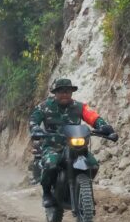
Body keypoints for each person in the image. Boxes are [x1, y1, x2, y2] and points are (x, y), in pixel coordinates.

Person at [29, 78, 115, 207]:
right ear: (55, 93)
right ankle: (47, 193)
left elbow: (92, 116)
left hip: (76, 146)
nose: (64, 94)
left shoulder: (79, 106)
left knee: (94, 165)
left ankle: (84, 192)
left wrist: (103, 126)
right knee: (50, 164)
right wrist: (35, 128)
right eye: (61, 91)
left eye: (67, 91)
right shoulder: (44, 106)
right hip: (53, 146)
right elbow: (33, 119)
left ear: (71, 92)